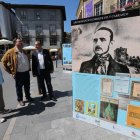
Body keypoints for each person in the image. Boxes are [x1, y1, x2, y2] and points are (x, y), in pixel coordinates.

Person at [1, 38, 33, 106]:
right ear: (15, 43)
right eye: (19, 41)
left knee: (27, 86)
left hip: (26, 72)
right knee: (19, 87)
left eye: (21, 41)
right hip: (18, 73)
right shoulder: (11, 51)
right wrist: (11, 72)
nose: (21, 43)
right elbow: (3, 61)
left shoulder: (23, 51)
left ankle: (28, 97)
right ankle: (20, 100)